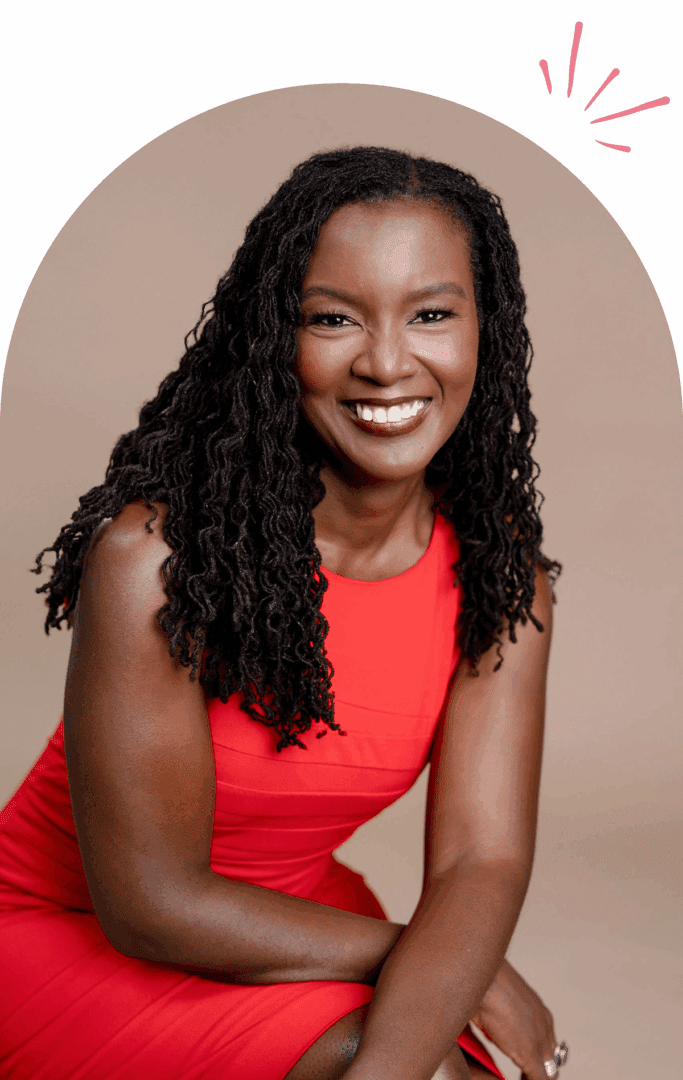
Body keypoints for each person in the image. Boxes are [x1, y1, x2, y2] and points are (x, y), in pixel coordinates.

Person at [0, 146, 568, 1080]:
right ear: (274, 338)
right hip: (75, 940)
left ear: (485, 335)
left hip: (308, 924)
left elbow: (480, 860)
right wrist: (437, 971)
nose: (387, 363)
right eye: (332, 319)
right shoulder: (154, 561)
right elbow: (149, 902)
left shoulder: (502, 577)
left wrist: (417, 1017)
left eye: (431, 314)